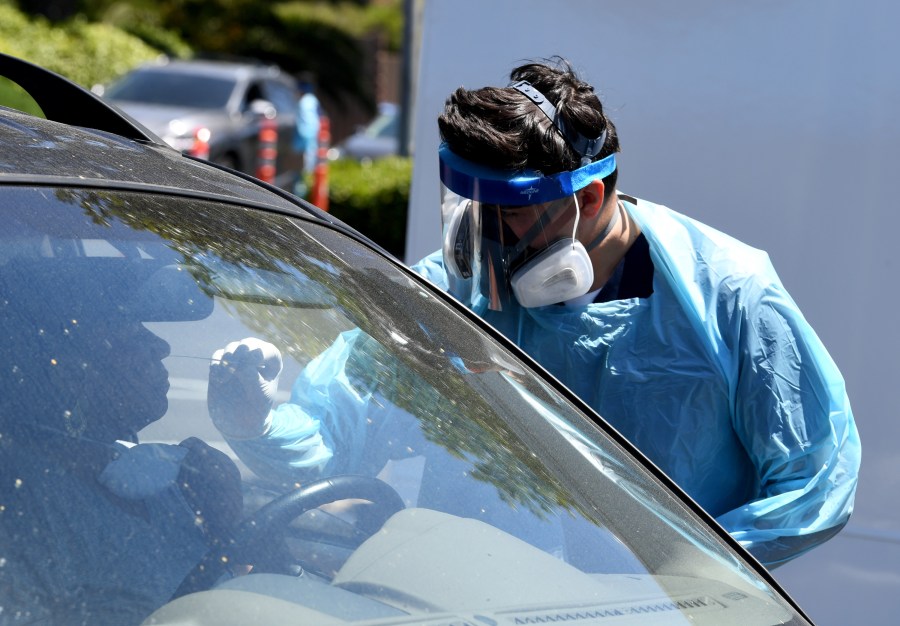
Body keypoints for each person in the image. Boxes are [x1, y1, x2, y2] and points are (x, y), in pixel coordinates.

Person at [409, 57, 860, 568]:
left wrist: (690, 574)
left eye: (509, 211)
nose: (485, 235)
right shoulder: (454, 289)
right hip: (476, 584)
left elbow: (816, 483)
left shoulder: (729, 295)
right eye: (473, 205)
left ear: (589, 197)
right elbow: (351, 390)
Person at [0, 260, 240, 624]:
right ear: (67, 372)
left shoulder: (168, 486)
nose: (160, 345)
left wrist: (226, 524)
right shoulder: (24, 504)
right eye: (128, 333)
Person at [292, 71, 321, 198]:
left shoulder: (304, 103)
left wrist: (303, 146)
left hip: (303, 146)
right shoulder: (313, 101)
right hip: (310, 144)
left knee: (300, 180)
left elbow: (306, 128)